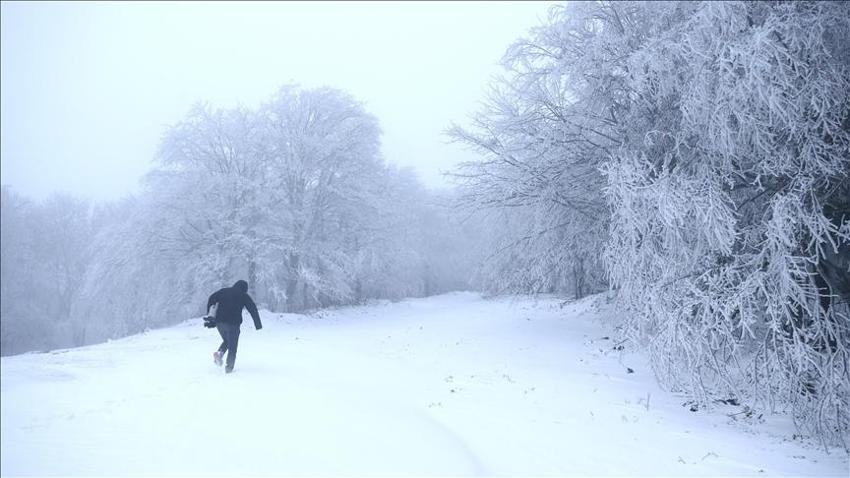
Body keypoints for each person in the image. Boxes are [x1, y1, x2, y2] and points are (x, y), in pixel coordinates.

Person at [206, 279, 262, 373]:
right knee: (233, 346)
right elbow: (252, 308)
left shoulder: (223, 291)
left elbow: (211, 298)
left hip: (220, 323)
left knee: (227, 341)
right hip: (233, 324)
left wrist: (210, 315)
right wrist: (258, 324)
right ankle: (229, 368)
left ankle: (219, 354)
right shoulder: (243, 295)